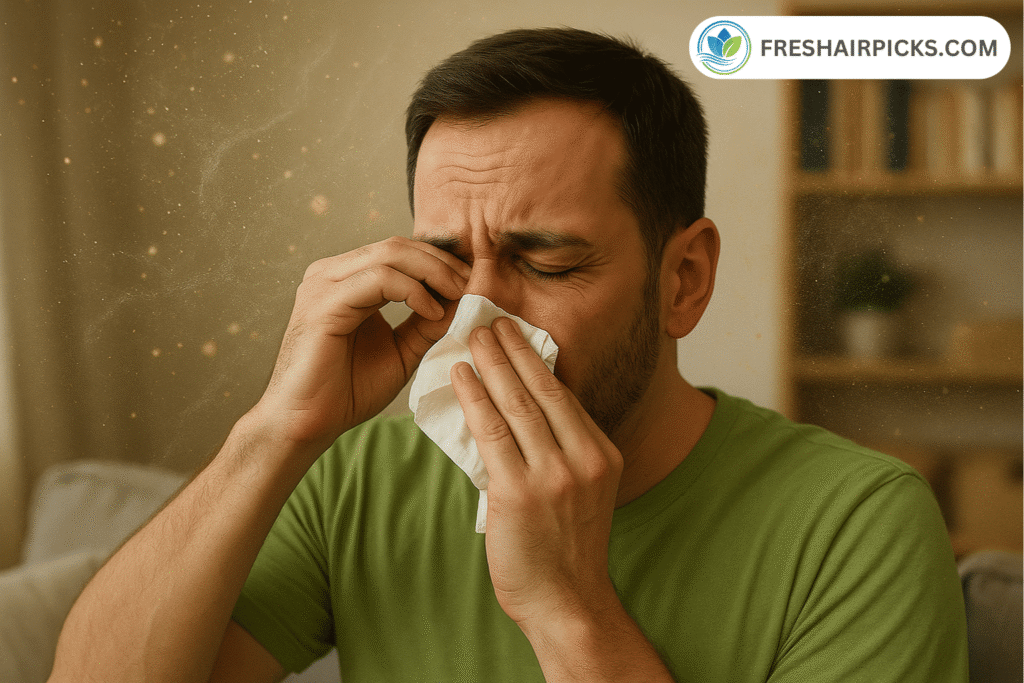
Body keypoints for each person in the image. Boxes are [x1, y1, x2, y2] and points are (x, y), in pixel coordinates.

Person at [48, 27, 968, 683]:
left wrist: (571, 609)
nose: (479, 315)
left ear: (683, 278)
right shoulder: (359, 477)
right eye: (446, 261)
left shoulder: (857, 522)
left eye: (548, 260)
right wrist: (273, 430)